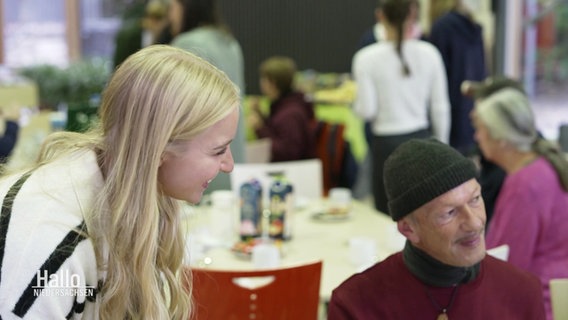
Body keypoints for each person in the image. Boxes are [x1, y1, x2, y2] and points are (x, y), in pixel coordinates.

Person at [0, 45, 241, 319]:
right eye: (218, 150)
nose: (228, 165)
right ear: (160, 149)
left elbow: (88, 295)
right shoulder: (50, 243)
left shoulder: (123, 197)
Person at [327, 138, 546, 319]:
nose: (475, 222)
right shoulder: (355, 307)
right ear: (408, 229)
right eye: (449, 212)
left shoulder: (523, 292)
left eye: (475, 199)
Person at [471, 87, 568, 320]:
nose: (477, 137)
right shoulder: (544, 165)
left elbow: (505, 263)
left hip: (540, 303)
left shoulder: (524, 185)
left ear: (502, 139)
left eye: (481, 130)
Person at [351, 0, 450, 215]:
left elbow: (366, 110)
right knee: (422, 214)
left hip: (385, 145)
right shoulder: (430, 53)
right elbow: (440, 107)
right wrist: (443, 148)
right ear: (413, 15)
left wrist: (354, 102)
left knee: (387, 215)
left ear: (381, 17)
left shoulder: (366, 58)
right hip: (422, 141)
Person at [169, 0, 246, 195]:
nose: (171, 16)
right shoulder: (229, 42)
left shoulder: (188, 44)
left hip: (201, 160)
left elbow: (179, 111)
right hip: (232, 152)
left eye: (173, 8)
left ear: (186, 8)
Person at [428, 0, 487, 155]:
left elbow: (437, 79)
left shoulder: (441, 28)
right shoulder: (474, 27)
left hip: (449, 113)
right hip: (472, 112)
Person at [247, 56, 316, 162]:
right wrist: (260, 115)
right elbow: (276, 132)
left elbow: (287, 154)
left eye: (264, 79)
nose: (261, 83)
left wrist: (260, 129)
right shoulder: (286, 105)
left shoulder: (290, 115)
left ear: (273, 83)